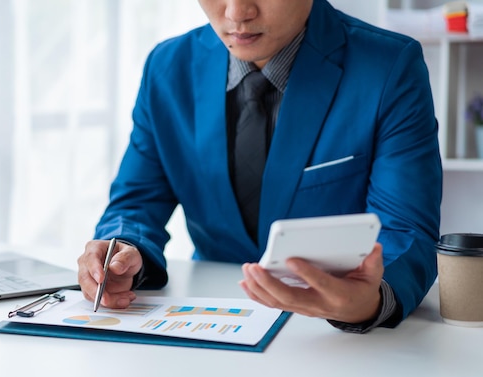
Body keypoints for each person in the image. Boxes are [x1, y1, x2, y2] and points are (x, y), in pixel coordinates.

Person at [77, 0, 442, 333]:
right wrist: (119, 249)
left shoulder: (389, 66)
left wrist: (373, 299)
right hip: (206, 324)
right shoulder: (168, 67)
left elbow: (405, 230)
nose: (237, 13)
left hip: (330, 338)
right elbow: (136, 201)